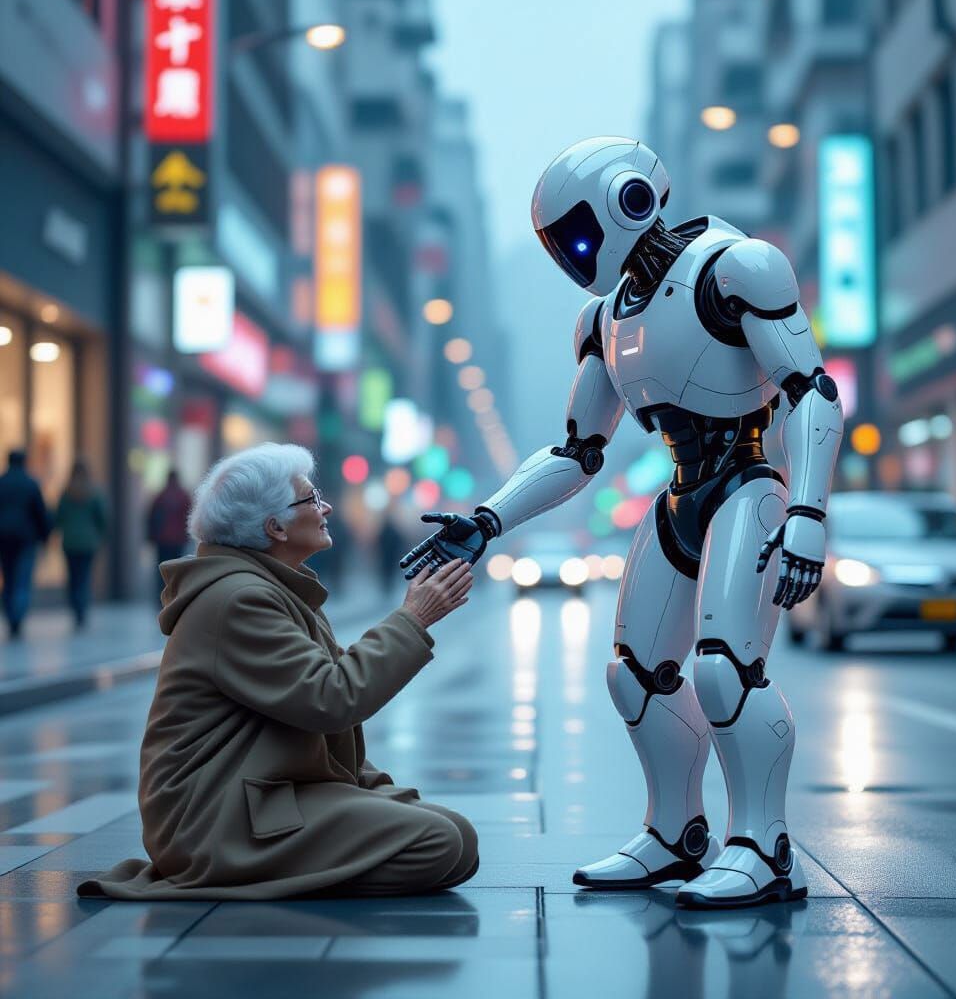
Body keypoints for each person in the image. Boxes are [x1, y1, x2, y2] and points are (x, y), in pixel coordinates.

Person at [399, 137, 843, 909]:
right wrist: (489, 520)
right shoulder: (603, 319)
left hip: (749, 485)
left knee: (723, 670)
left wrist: (807, 513)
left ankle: (765, 847)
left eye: (576, 233)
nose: (574, 254)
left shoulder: (736, 268)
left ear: (630, 199)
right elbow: (578, 449)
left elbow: (811, 391)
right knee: (634, 673)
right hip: (682, 495)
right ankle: (675, 833)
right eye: (559, 243)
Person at [78, 442, 477, 900]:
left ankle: (313, 861)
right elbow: (333, 698)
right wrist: (412, 619)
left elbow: (316, 719)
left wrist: (374, 790)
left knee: (456, 832)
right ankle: (284, 874)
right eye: (311, 498)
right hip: (215, 820)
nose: (326, 506)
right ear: (275, 527)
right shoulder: (238, 601)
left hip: (262, 795)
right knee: (443, 844)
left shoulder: (273, 591)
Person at [0, 449, 51, 638]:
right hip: (25, 540)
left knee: (9, 579)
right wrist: (45, 537)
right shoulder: (30, 484)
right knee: (22, 580)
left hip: (4, 539)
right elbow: (41, 513)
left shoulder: (2, 482)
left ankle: (11, 616)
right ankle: (17, 615)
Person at [54, 459, 108, 629]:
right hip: (88, 542)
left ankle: (76, 607)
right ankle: (82, 609)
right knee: (84, 577)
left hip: (70, 541)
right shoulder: (94, 492)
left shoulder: (66, 492)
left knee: (73, 577)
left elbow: (59, 517)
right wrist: (101, 536)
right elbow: (102, 518)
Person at [146, 469, 191, 603]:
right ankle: (174, 597)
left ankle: (161, 598)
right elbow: (188, 518)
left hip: (163, 540)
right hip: (177, 540)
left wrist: (151, 536)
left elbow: (151, 518)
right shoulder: (183, 496)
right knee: (177, 571)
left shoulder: (160, 496)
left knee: (162, 571)